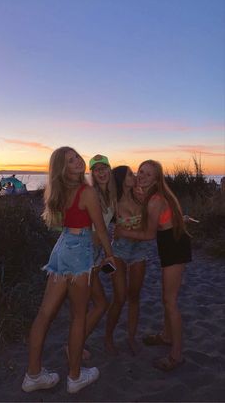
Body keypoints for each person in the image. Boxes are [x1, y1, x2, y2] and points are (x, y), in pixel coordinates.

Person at [22, 147, 115, 394]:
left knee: (44, 314)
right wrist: (109, 254)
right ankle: (74, 377)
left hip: (62, 247)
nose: (77, 161)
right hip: (79, 251)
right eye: (70, 160)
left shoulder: (60, 191)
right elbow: (101, 230)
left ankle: (33, 374)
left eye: (76, 156)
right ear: (63, 168)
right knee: (78, 316)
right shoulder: (87, 192)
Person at [116, 160, 191, 371]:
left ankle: (176, 355)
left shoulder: (155, 200)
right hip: (169, 244)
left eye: (149, 174)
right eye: (140, 171)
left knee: (170, 301)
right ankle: (166, 336)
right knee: (166, 297)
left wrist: (123, 232)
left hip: (175, 246)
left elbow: (148, 235)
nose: (142, 176)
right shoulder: (152, 196)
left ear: (157, 179)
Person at [105, 165, 154, 355]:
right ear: (121, 179)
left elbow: (154, 219)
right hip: (119, 251)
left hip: (140, 250)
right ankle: (108, 337)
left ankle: (131, 337)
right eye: (130, 175)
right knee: (119, 296)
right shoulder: (113, 203)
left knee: (134, 296)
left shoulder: (142, 197)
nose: (134, 176)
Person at [85, 155, 117, 344]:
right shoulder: (92, 193)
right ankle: (74, 346)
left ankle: (76, 345)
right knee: (96, 304)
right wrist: (109, 253)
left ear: (109, 169)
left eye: (104, 168)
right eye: (97, 169)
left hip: (96, 252)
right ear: (92, 173)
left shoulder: (111, 194)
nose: (102, 172)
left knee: (95, 303)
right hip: (86, 251)